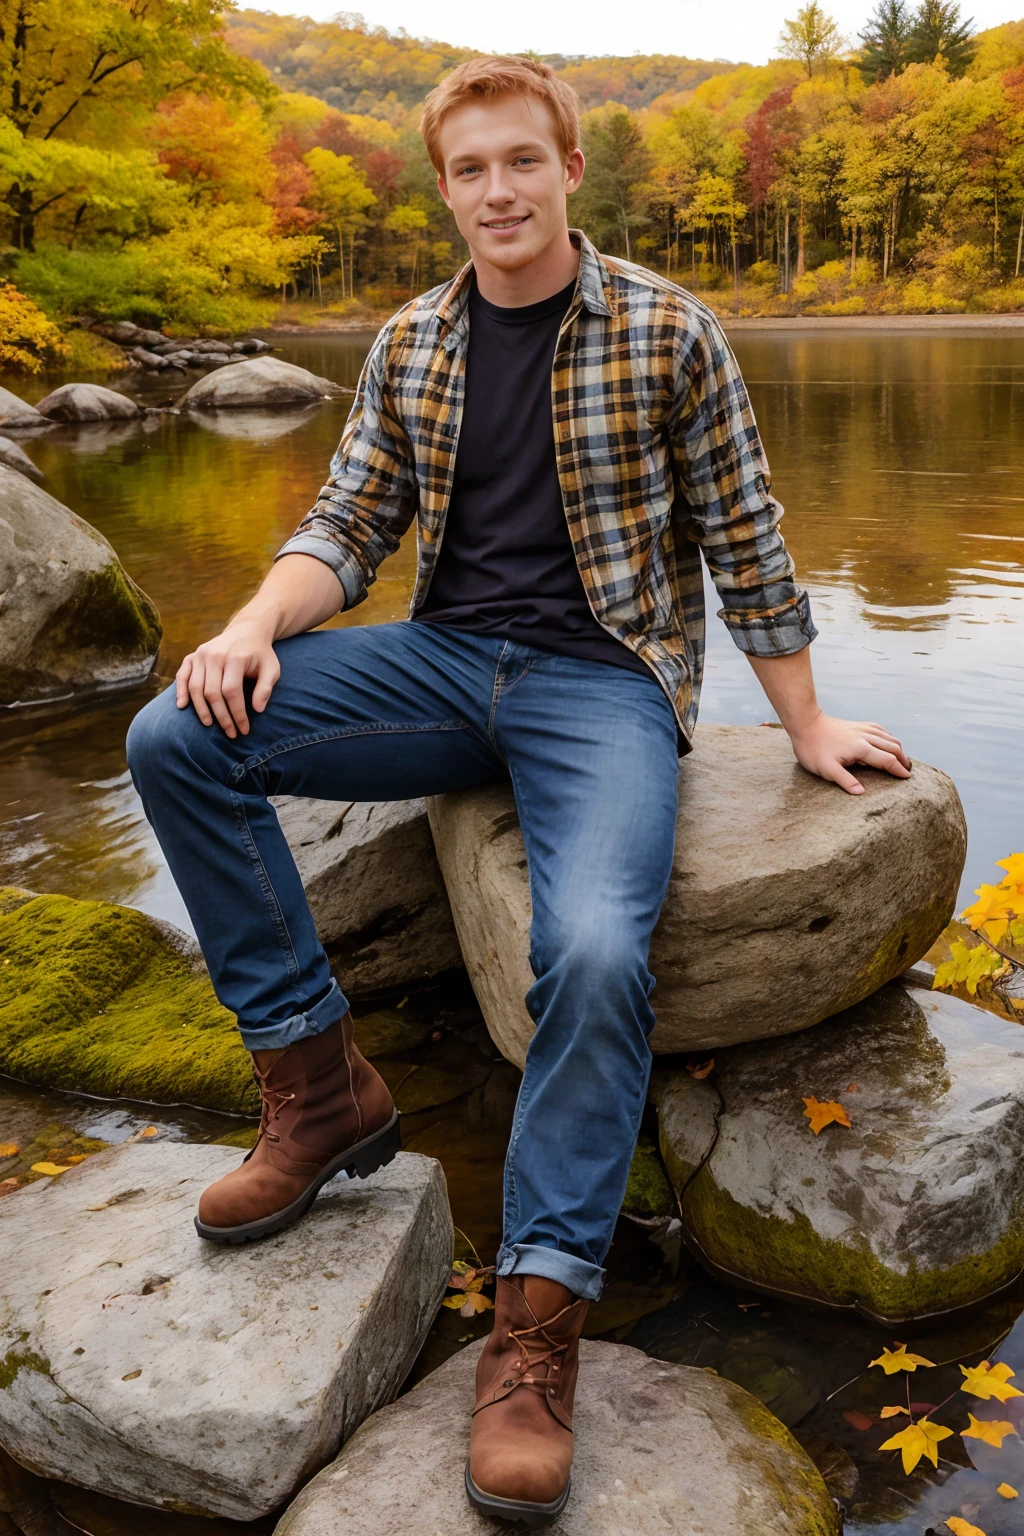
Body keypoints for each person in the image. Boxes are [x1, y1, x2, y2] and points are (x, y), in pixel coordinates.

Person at [126, 55, 911, 1528]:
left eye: (522, 163)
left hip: (603, 682)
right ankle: (317, 1088)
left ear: (567, 171)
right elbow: (348, 520)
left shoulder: (667, 327)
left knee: (599, 950)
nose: (500, 191)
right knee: (179, 737)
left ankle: (537, 1322)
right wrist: (242, 627)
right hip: (438, 665)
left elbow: (747, 534)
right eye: (471, 169)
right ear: (446, 190)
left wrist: (801, 723)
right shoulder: (415, 338)